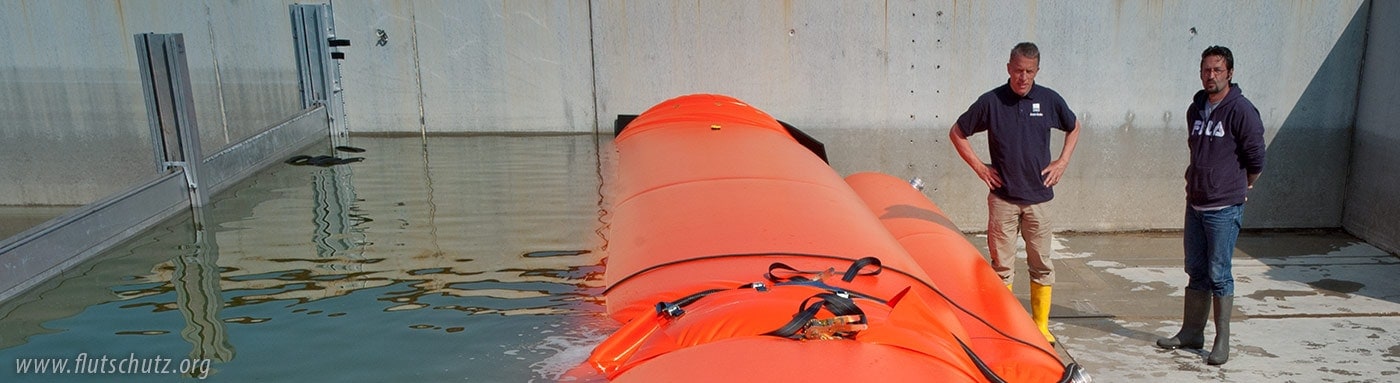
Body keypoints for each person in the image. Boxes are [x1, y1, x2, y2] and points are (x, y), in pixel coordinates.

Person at [949, 42, 1081, 344]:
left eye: (1030, 72)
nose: (1024, 77)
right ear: (1009, 67)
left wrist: (1062, 162)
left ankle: (1040, 326)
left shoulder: (1048, 100)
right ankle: (1004, 327)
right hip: (1003, 201)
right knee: (1001, 269)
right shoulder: (992, 102)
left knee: (1042, 265)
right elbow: (957, 132)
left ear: (1037, 71)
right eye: (1019, 70)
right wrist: (981, 169)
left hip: (1039, 202)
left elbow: (1074, 127)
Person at [1156, 46, 1266, 366]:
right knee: (1196, 270)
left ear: (1229, 73)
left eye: (1217, 70)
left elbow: (1256, 157)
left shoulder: (1241, 110)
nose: (1211, 76)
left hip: (1224, 207)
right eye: (1206, 70)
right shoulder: (1197, 108)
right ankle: (1192, 332)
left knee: (1220, 273)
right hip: (1196, 204)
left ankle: (1222, 341)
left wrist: (1245, 184)